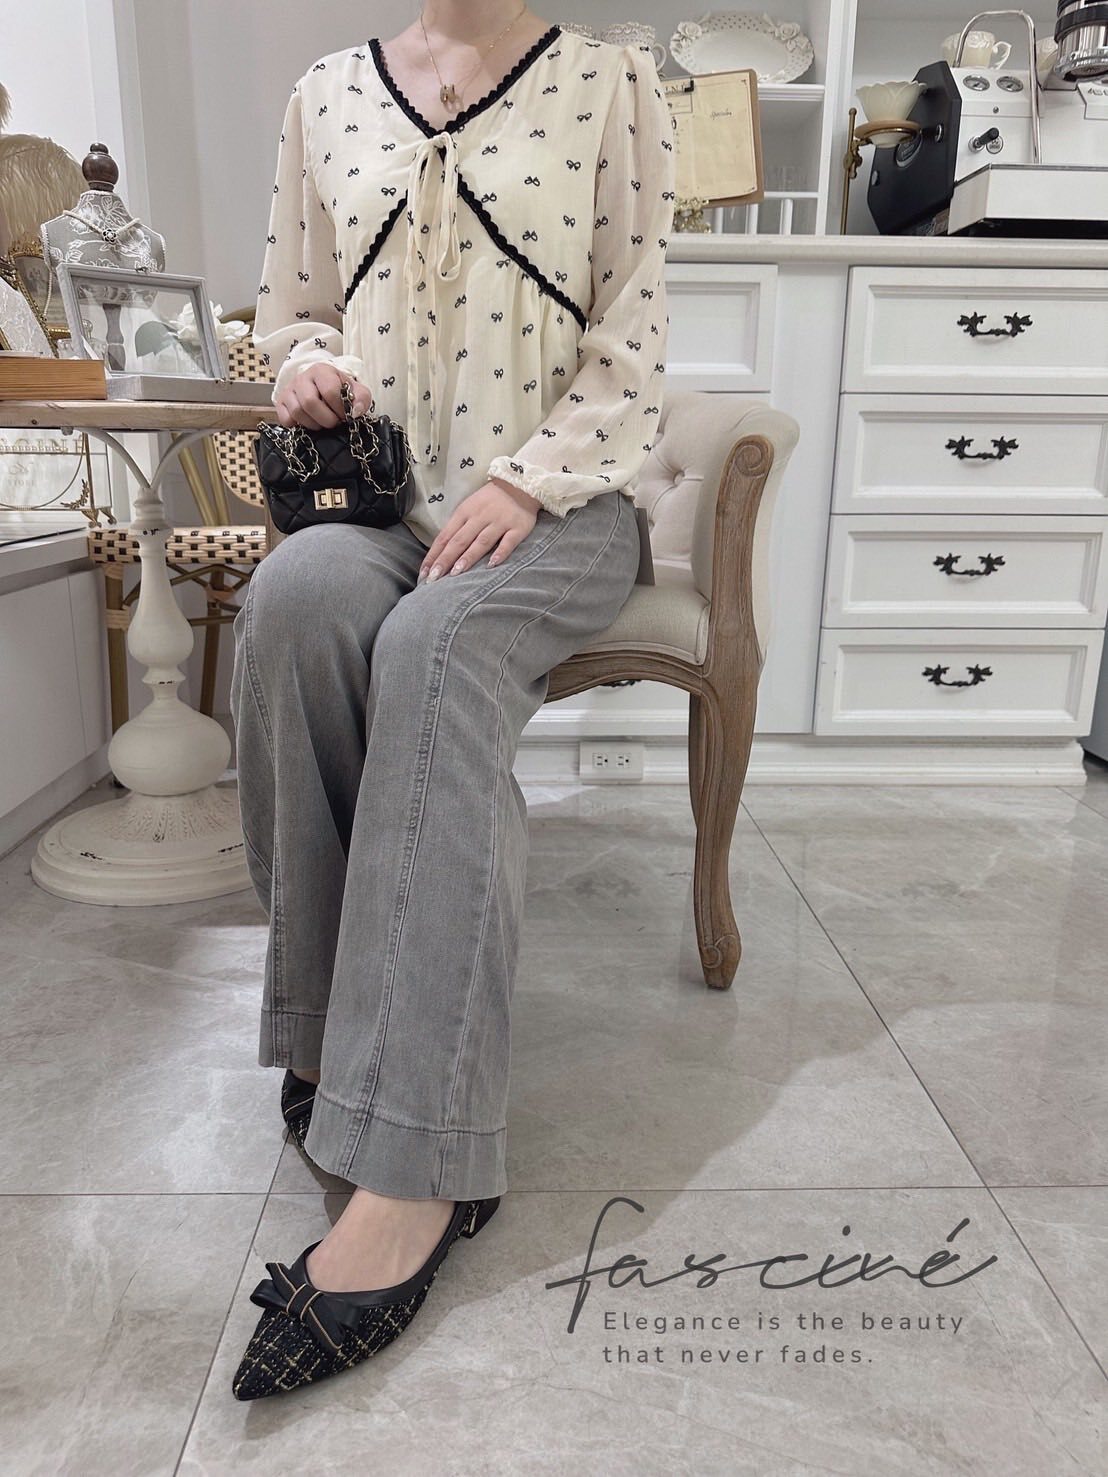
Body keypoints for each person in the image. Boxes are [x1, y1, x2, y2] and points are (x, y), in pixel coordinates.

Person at [228, 0, 675, 1399]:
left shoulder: (614, 84)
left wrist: (526, 483)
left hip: (565, 507)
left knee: (435, 645)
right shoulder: (325, 93)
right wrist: (306, 365)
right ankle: (326, 1039)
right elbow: (290, 305)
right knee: (292, 603)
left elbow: (633, 336)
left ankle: (422, 1158)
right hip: (384, 502)